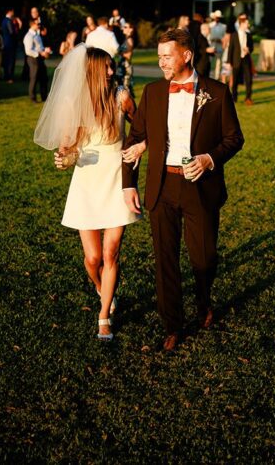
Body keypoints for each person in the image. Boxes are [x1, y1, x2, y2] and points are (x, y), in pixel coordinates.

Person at [120, 28, 244, 351]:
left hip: (199, 185)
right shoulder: (152, 93)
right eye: (159, 56)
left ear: (186, 55)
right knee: (165, 260)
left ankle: (204, 301)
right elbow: (134, 140)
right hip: (162, 186)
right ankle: (172, 325)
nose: (161, 62)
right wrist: (127, 185)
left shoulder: (216, 93)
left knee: (204, 258)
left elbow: (234, 138)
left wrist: (208, 159)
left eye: (166, 56)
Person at [34, 45, 143, 342]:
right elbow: (69, 148)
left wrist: (139, 148)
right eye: (106, 67)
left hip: (116, 181)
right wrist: (64, 156)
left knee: (111, 252)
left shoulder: (121, 96)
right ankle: (99, 285)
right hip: (86, 183)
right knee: (93, 257)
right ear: (93, 71)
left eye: (112, 66)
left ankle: (104, 315)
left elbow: (143, 128)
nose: (112, 71)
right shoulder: (74, 103)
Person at [227, 13, 254, 105]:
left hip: (246, 60)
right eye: (247, 23)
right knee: (234, 81)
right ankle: (234, 97)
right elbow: (231, 48)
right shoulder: (234, 35)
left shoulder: (249, 35)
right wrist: (229, 62)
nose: (248, 25)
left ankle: (248, 98)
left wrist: (248, 49)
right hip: (236, 60)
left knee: (249, 79)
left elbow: (252, 47)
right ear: (242, 24)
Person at [23, 18, 52, 103]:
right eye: (37, 24)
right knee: (34, 78)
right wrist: (40, 53)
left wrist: (45, 50)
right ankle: (33, 98)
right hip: (33, 58)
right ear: (32, 25)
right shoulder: (28, 36)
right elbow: (28, 50)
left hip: (40, 58)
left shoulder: (37, 35)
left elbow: (40, 47)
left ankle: (44, 97)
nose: (39, 26)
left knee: (44, 78)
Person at [208, 10, 227, 79]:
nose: (217, 18)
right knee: (210, 62)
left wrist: (221, 41)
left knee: (218, 63)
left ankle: (216, 77)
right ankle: (209, 76)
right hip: (211, 45)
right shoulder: (210, 25)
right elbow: (207, 35)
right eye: (216, 17)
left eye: (219, 17)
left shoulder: (223, 26)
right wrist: (211, 39)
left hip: (219, 46)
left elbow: (224, 37)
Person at [1, 8, 19, 83]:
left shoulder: (3, 20)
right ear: (10, 12)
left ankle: (6, 76)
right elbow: (12, 32)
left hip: (5, 42)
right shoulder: (9, 21)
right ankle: (9, 77)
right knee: (10, 61)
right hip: (10, 43)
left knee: (6, 60)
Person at [116, 24, 135, 93]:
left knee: (125, 89)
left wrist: (117, 52)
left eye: (126, 27)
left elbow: (129, 55)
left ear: (131, 29)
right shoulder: (126, 39)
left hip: (126, 66)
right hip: (122, 65)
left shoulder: (129, 40)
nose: (123, 28)